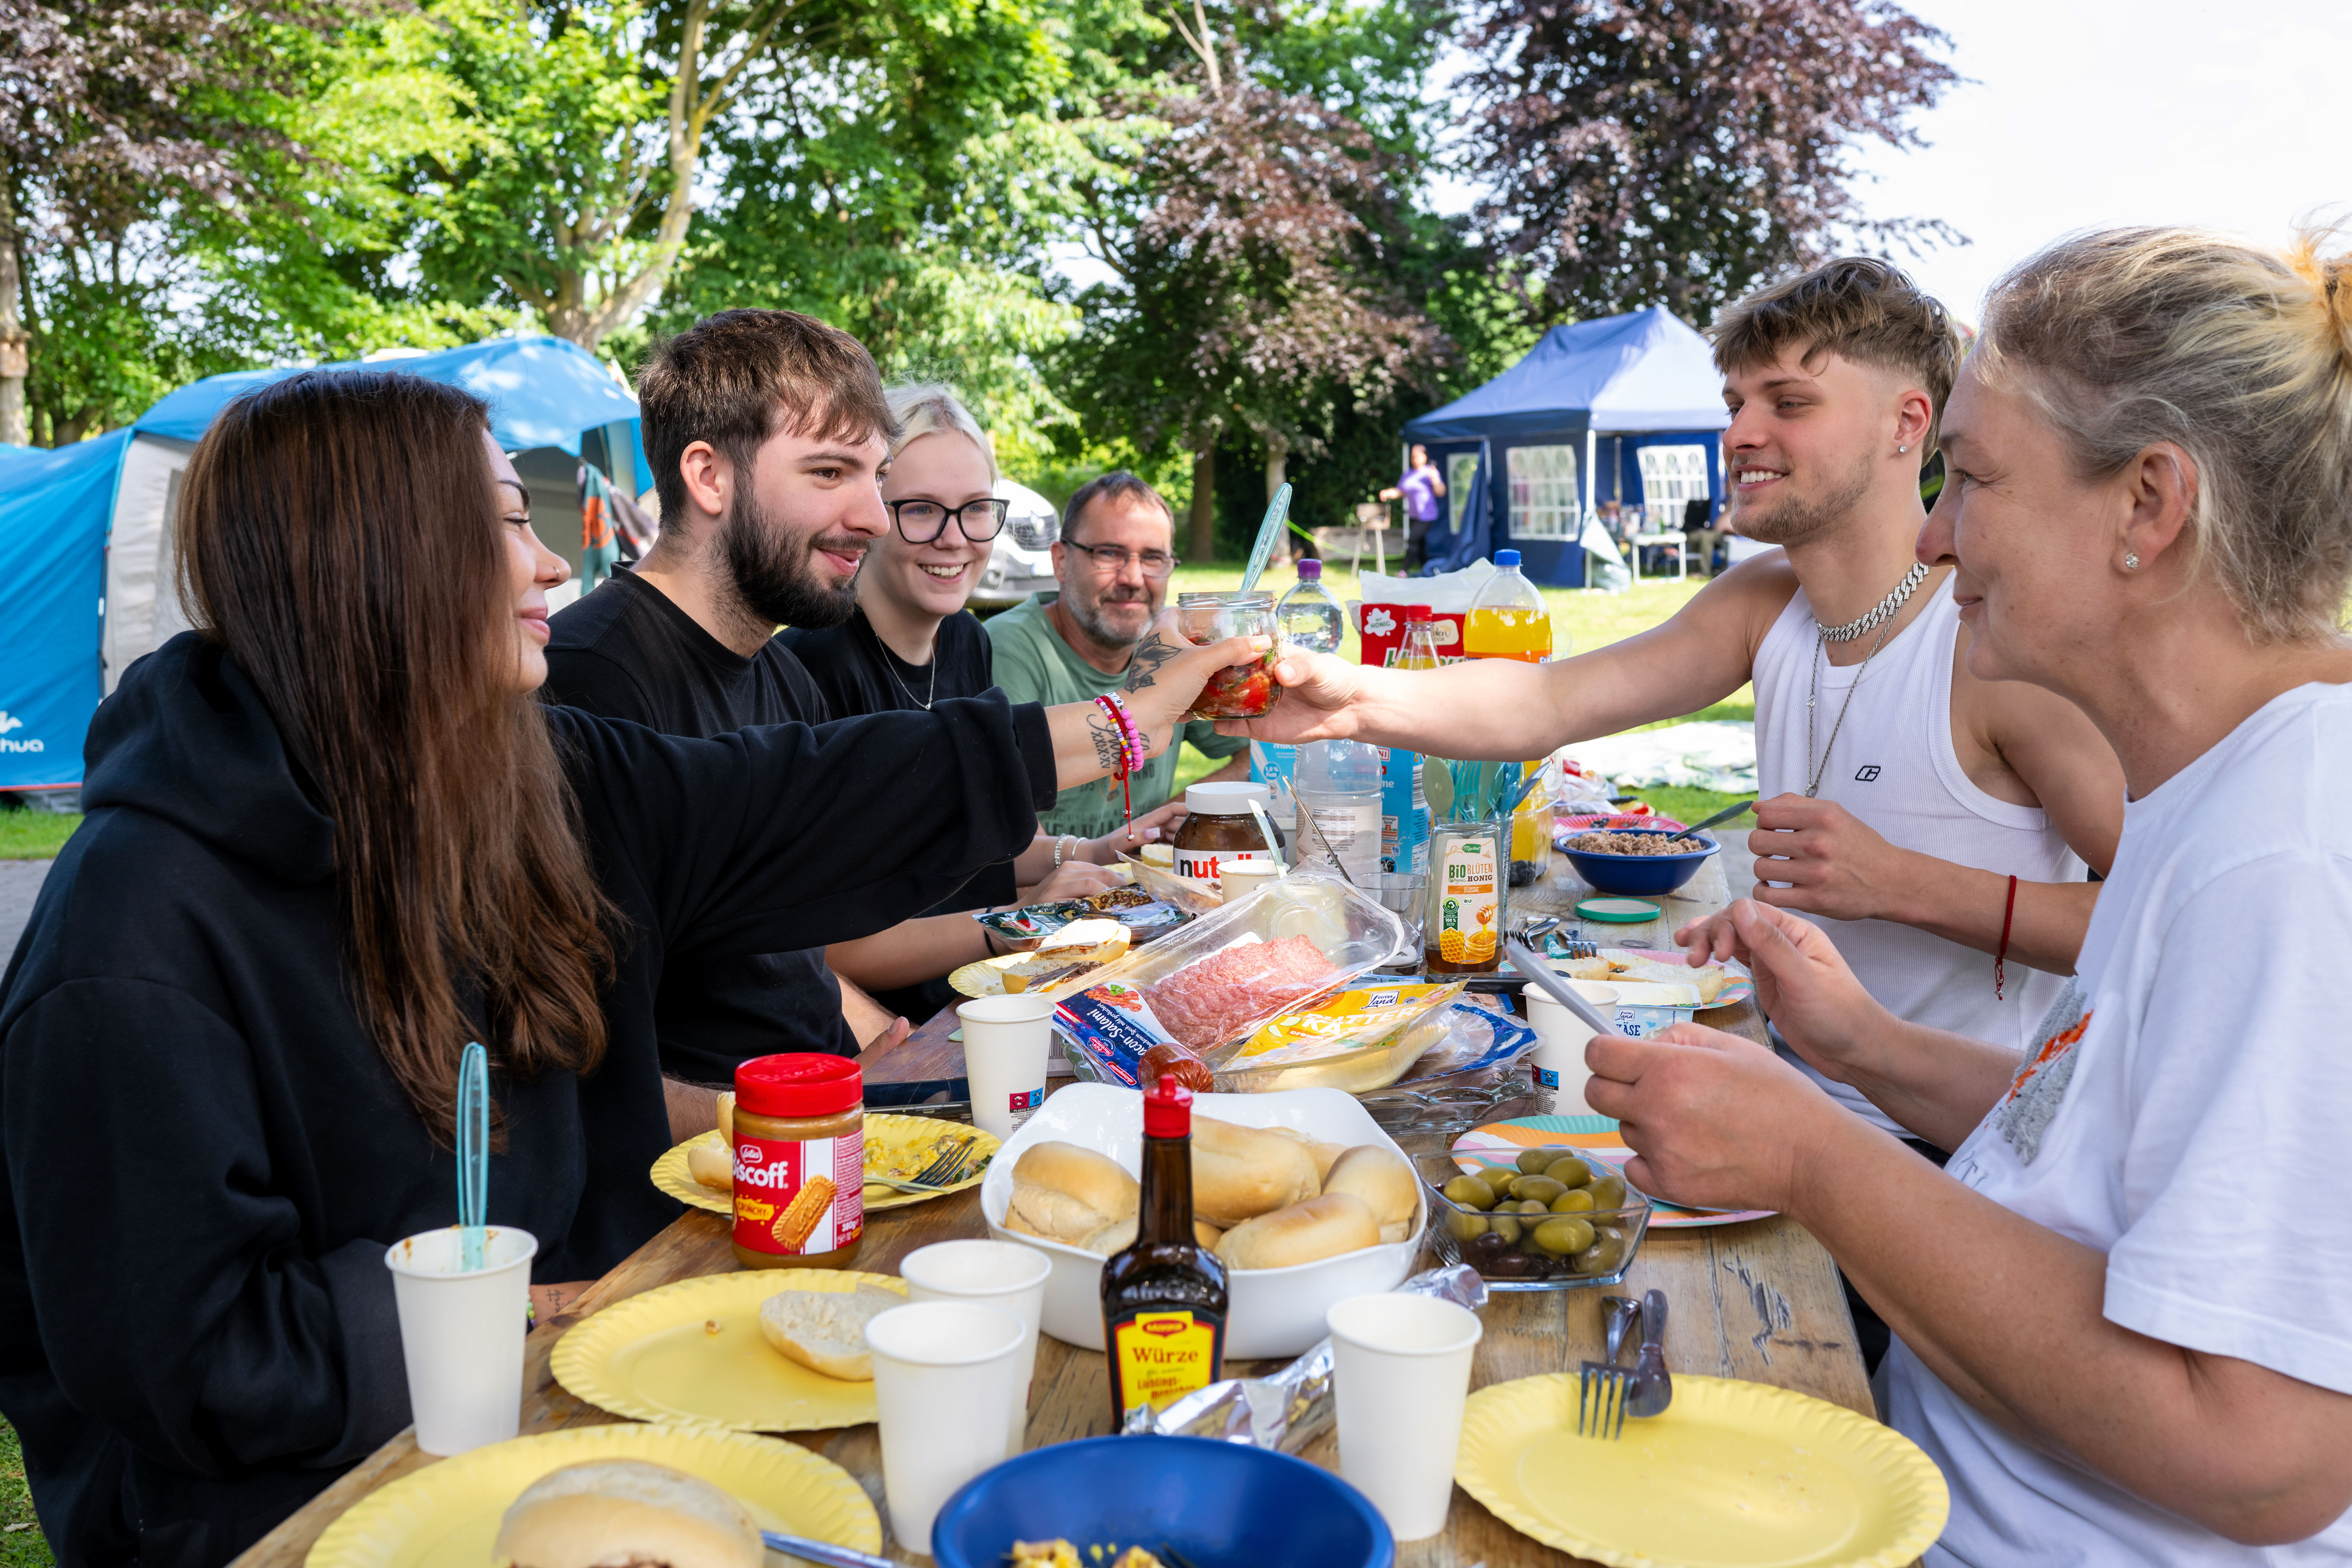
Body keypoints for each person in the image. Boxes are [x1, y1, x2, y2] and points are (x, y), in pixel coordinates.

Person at [0, 370, 1253, 1566]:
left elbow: (797, 798)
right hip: (297, 1503)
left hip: (565, 1387)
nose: (550, 559)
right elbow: (194, 1358)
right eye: (505, 522)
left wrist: (1134, 718)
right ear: (373, 561)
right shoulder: (135, 935)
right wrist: (521, 1315)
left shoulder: (525, 769)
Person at [1597, 226, 2352, 1562]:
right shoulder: (2210, 789)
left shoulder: (2286, 855)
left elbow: (2262, 1456)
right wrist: (1863, 1046)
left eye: (1973, 476)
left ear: (2146, 505)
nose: (1937, 531)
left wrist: (1808, 1153)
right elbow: (2096, 1144)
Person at [1227, 257, 2126, 1363]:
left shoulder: (1992, 649)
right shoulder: (1766, 604)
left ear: (1909, 424)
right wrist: (1348, 698)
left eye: (1788, 402)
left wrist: (1907, 887)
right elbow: (1549, 699)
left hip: (1941, 1164)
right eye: (1734, 403)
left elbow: (2154, 924)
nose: (1742, 432)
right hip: (1764, 1105)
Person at [544, 327, 1130, 1087]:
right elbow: (577, 1062)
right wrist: (823, 1103)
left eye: (875, 477)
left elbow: (798, 955)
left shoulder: (779, 675)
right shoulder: (587, 678)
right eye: (830, 472)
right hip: (734, 1166)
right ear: (708, 476)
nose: (877, 519)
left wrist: (894, 1051)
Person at [786, 382, 1184, 1015]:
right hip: (887, 1040)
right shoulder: (812, 669)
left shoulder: (965, 642)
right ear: (871, 511)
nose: (955, 539)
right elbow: (828, 948)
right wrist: (1015, 919)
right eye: (919, 509)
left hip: (988, 1003)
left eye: (975, 509)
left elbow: (985, 837)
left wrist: (1096, 851)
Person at [988, 471, 1251, 838]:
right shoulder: (1007, 651)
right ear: (1061, 561)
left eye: (1153, 558)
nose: (1133, 577)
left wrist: (1168, 820)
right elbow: (1001, 833)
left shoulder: (1178, 656)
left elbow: (1259, 757)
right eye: (1109, 553)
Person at [1379, 442, 1446, 566]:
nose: (1416, 460)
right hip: (1414, 515)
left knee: (1413, 539)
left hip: (1427, 515)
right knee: (1421, 543)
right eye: (1413, 457)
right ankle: (1426, 568)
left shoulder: (1430, 472)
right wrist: (1388, 493)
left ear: (1425, 457)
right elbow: (1400, 491)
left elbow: (1441, 492)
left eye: (1418, 456)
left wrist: (1436, 480)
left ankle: (1404, 570)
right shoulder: (1408, 474)